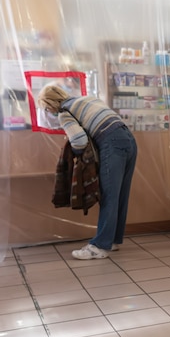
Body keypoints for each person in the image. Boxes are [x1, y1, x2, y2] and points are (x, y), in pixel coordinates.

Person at [38, 85, 137, 260]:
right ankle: (112, 240)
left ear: (50, 104)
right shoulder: (87, 98)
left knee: (108, 196)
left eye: (46, 108)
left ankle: (99, 247)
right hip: (129, 140)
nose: (49, 112)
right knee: (120, 195)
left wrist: (75, 155)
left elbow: (79, 140)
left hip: (111, 143)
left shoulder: (65, 112)